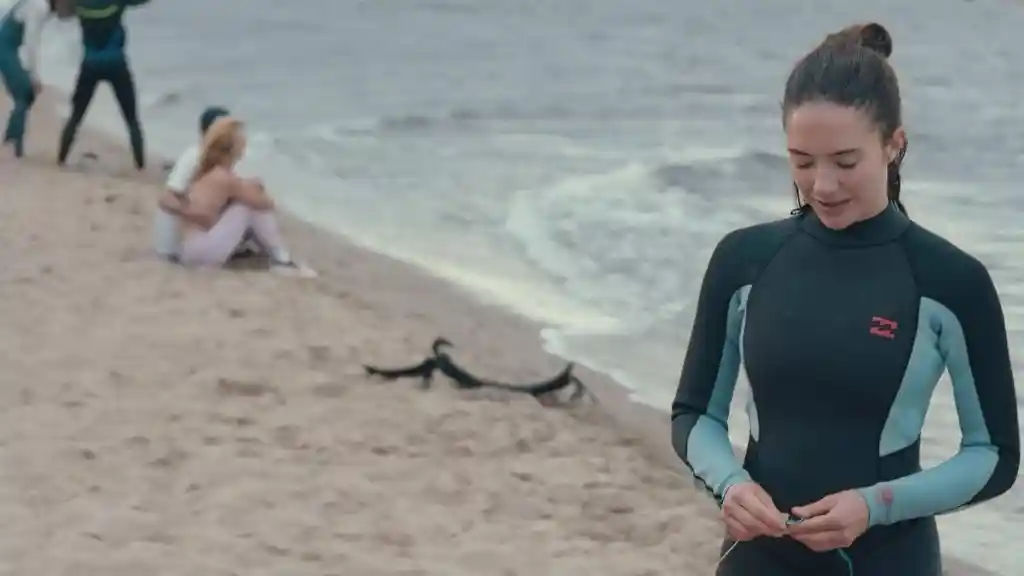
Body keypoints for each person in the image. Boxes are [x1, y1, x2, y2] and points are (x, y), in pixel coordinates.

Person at [670, 23, 1019, 576]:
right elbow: (695, 416)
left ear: (894, 145)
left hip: (889, 560)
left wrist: (876, 505)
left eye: (845, 161)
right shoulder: (744, 261)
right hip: (758, 558)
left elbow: (994, 455)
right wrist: (730, 484)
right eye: (802, 161)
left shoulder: (950, 280)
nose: (823, 185)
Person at [164, 115, 314, 277]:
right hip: (198, 252)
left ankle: (280, 258)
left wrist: (248, 187)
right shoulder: (225, 177)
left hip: (187, 249)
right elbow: (265, 204)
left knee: (246, 202)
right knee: (248, 207)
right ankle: (282, 260)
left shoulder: (210, 171)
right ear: (233, 149)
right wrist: (256, 190)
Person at [154, 106, 262, 261]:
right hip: (179, 239)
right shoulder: (194, 156)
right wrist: (196, 213)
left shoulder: (218, 159)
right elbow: (168, 198)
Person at [57, 0, 148, 170]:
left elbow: (62, 13)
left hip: (90, 63)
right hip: (116, 63)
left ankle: (61, 159)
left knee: (76, 116)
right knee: (131, 119)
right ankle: (140, 165)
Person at [0, 0, 67, 157]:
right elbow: (30, 42)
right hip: (4, 48)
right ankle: (13, 140)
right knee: (25, 91)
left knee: (25, 94)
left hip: (9, 48)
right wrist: (33, 75)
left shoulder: (40, 6)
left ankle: (12, 137)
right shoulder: (39, 7)